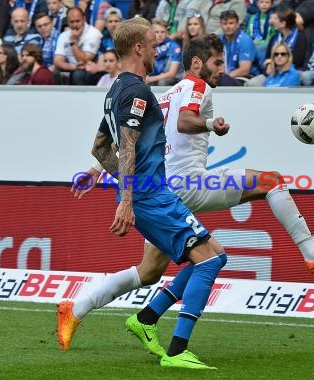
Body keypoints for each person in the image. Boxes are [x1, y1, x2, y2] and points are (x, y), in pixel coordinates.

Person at [57, 33, 314, 366]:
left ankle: (93, 310)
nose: (221, 69)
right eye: (216, 62)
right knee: (271, 182)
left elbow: (127, 134)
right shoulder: (197, 87)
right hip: (191, 184)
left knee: (151, 270)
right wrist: (214, 124)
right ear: (197, 63)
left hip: (163, 188)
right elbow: (184, 123)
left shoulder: (165, 93)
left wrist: (94, 169)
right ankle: (311, 253)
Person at [58, 20, 230, 370]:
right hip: (152, 194)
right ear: (138, 48)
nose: (156, 50)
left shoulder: (115, 90)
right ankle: (177, 349)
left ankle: (148, 318)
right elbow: (128, 148)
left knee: (212, 255)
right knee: (210, 260)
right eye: (152, 44)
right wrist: (128, 198)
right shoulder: (137, 92)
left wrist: (126, 190)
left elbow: (99, 147)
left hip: (149, 193)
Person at [53, 7, 102, 85]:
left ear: (84, 19)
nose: (75, 25)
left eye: (78, 21)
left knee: (78, 75)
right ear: (68, 22)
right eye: (72, 22)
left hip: (89, 69)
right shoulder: (63, 35)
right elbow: (57, 61)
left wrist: (73, 42)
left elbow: (84, 60)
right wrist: (74, 67)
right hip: (72, 67)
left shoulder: (94, 34)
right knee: (54, 73)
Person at [219, 9, 260, 84]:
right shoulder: (219, 40)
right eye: (225, 23)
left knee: (224, 82)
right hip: (227, 76)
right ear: (221, 25)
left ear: (237, 24)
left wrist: (225, 77)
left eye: (231, 23)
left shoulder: (245, 40)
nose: (228, 26)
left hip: (246, 77)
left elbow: (244, 70)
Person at [146, 17, 181, 85]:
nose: (160, 35)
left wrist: (150, 79)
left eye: (163, 32)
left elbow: (172, 73)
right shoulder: (148, 46)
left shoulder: (174, 46)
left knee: (162, 82)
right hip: (155, 77)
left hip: (172, 79)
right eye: (156, 32)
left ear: (167, 32)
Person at [246, 0, 276, 66]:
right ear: (257, 4)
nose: (264, 4)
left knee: (259, 49)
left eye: (267, 2)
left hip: (266, 47)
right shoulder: (252, 18)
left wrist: (258, 43)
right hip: (253, 44)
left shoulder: (273, 19)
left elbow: (272, 39)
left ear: (272, 5)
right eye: (261, 2)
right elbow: (248, 35)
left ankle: (263, 68)